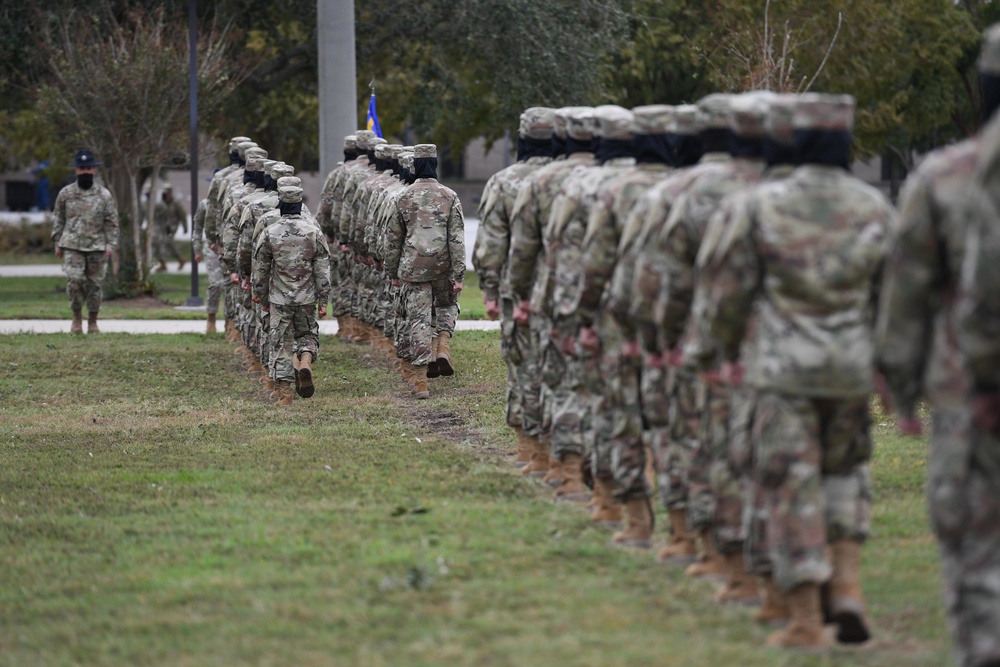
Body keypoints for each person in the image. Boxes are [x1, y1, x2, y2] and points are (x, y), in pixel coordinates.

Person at [696, 93, 895, 649]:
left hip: (782, 373)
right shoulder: (875, 207)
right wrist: (890, 370)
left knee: (791, 485)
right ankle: (848, 585)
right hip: (850, 368)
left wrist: (714, 352)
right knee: (844, 476)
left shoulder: (761, 205)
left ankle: (807, 618)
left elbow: (725, 294)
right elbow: (897, 299)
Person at [879, 24, 1000, 667]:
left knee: (977, 556)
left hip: (973, 394)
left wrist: (900, 387)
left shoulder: (946, 177)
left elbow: (908, 291)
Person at [383, 143, 466, 399]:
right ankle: (442, 345)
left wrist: (392, 272)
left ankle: (420, 382)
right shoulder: (450, 196)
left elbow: (393, 240)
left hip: (412, 269)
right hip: (443, 267)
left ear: (416, 166)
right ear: (436, 165)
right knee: (446, 306)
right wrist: (459, 273)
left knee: (418, 320)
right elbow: (457, 239)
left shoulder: (402, 197)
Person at [251, 184, 332, 406]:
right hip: (306, 298)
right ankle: (305, 359)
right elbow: (322, 271)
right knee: (307, 335)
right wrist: (324, 300)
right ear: (299, 204)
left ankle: (285, 395)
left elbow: (261, 270)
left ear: (281, 205)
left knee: (280, 344)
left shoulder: (270, 232)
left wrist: (261, 296)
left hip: (279, 299)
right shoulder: (313, 231)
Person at [51, 149, 119, 335]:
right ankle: (76, 318)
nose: (85, 172)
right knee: (74, 281)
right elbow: (58, 219)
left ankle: (93, 321)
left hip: (97, 246)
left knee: (95, 285)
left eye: (88, 168)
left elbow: (111, 222)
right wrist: (57, 243)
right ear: (76, 171)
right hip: (72, 245)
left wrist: (110, 245)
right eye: (82, 169)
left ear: (94, 171)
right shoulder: (65, 193)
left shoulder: (104, 195)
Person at [152, 183, 188, 272]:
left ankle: (177, 260)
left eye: (167, 192)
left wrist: (185, 227)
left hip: (172, 228)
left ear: (171, 192)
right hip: (162, 227)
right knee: (156, 242)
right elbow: (155, 215)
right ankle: (164, 262)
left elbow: (182, 216)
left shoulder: (176, 204)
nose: (166, 194)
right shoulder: (161, 203)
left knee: (168, 243)